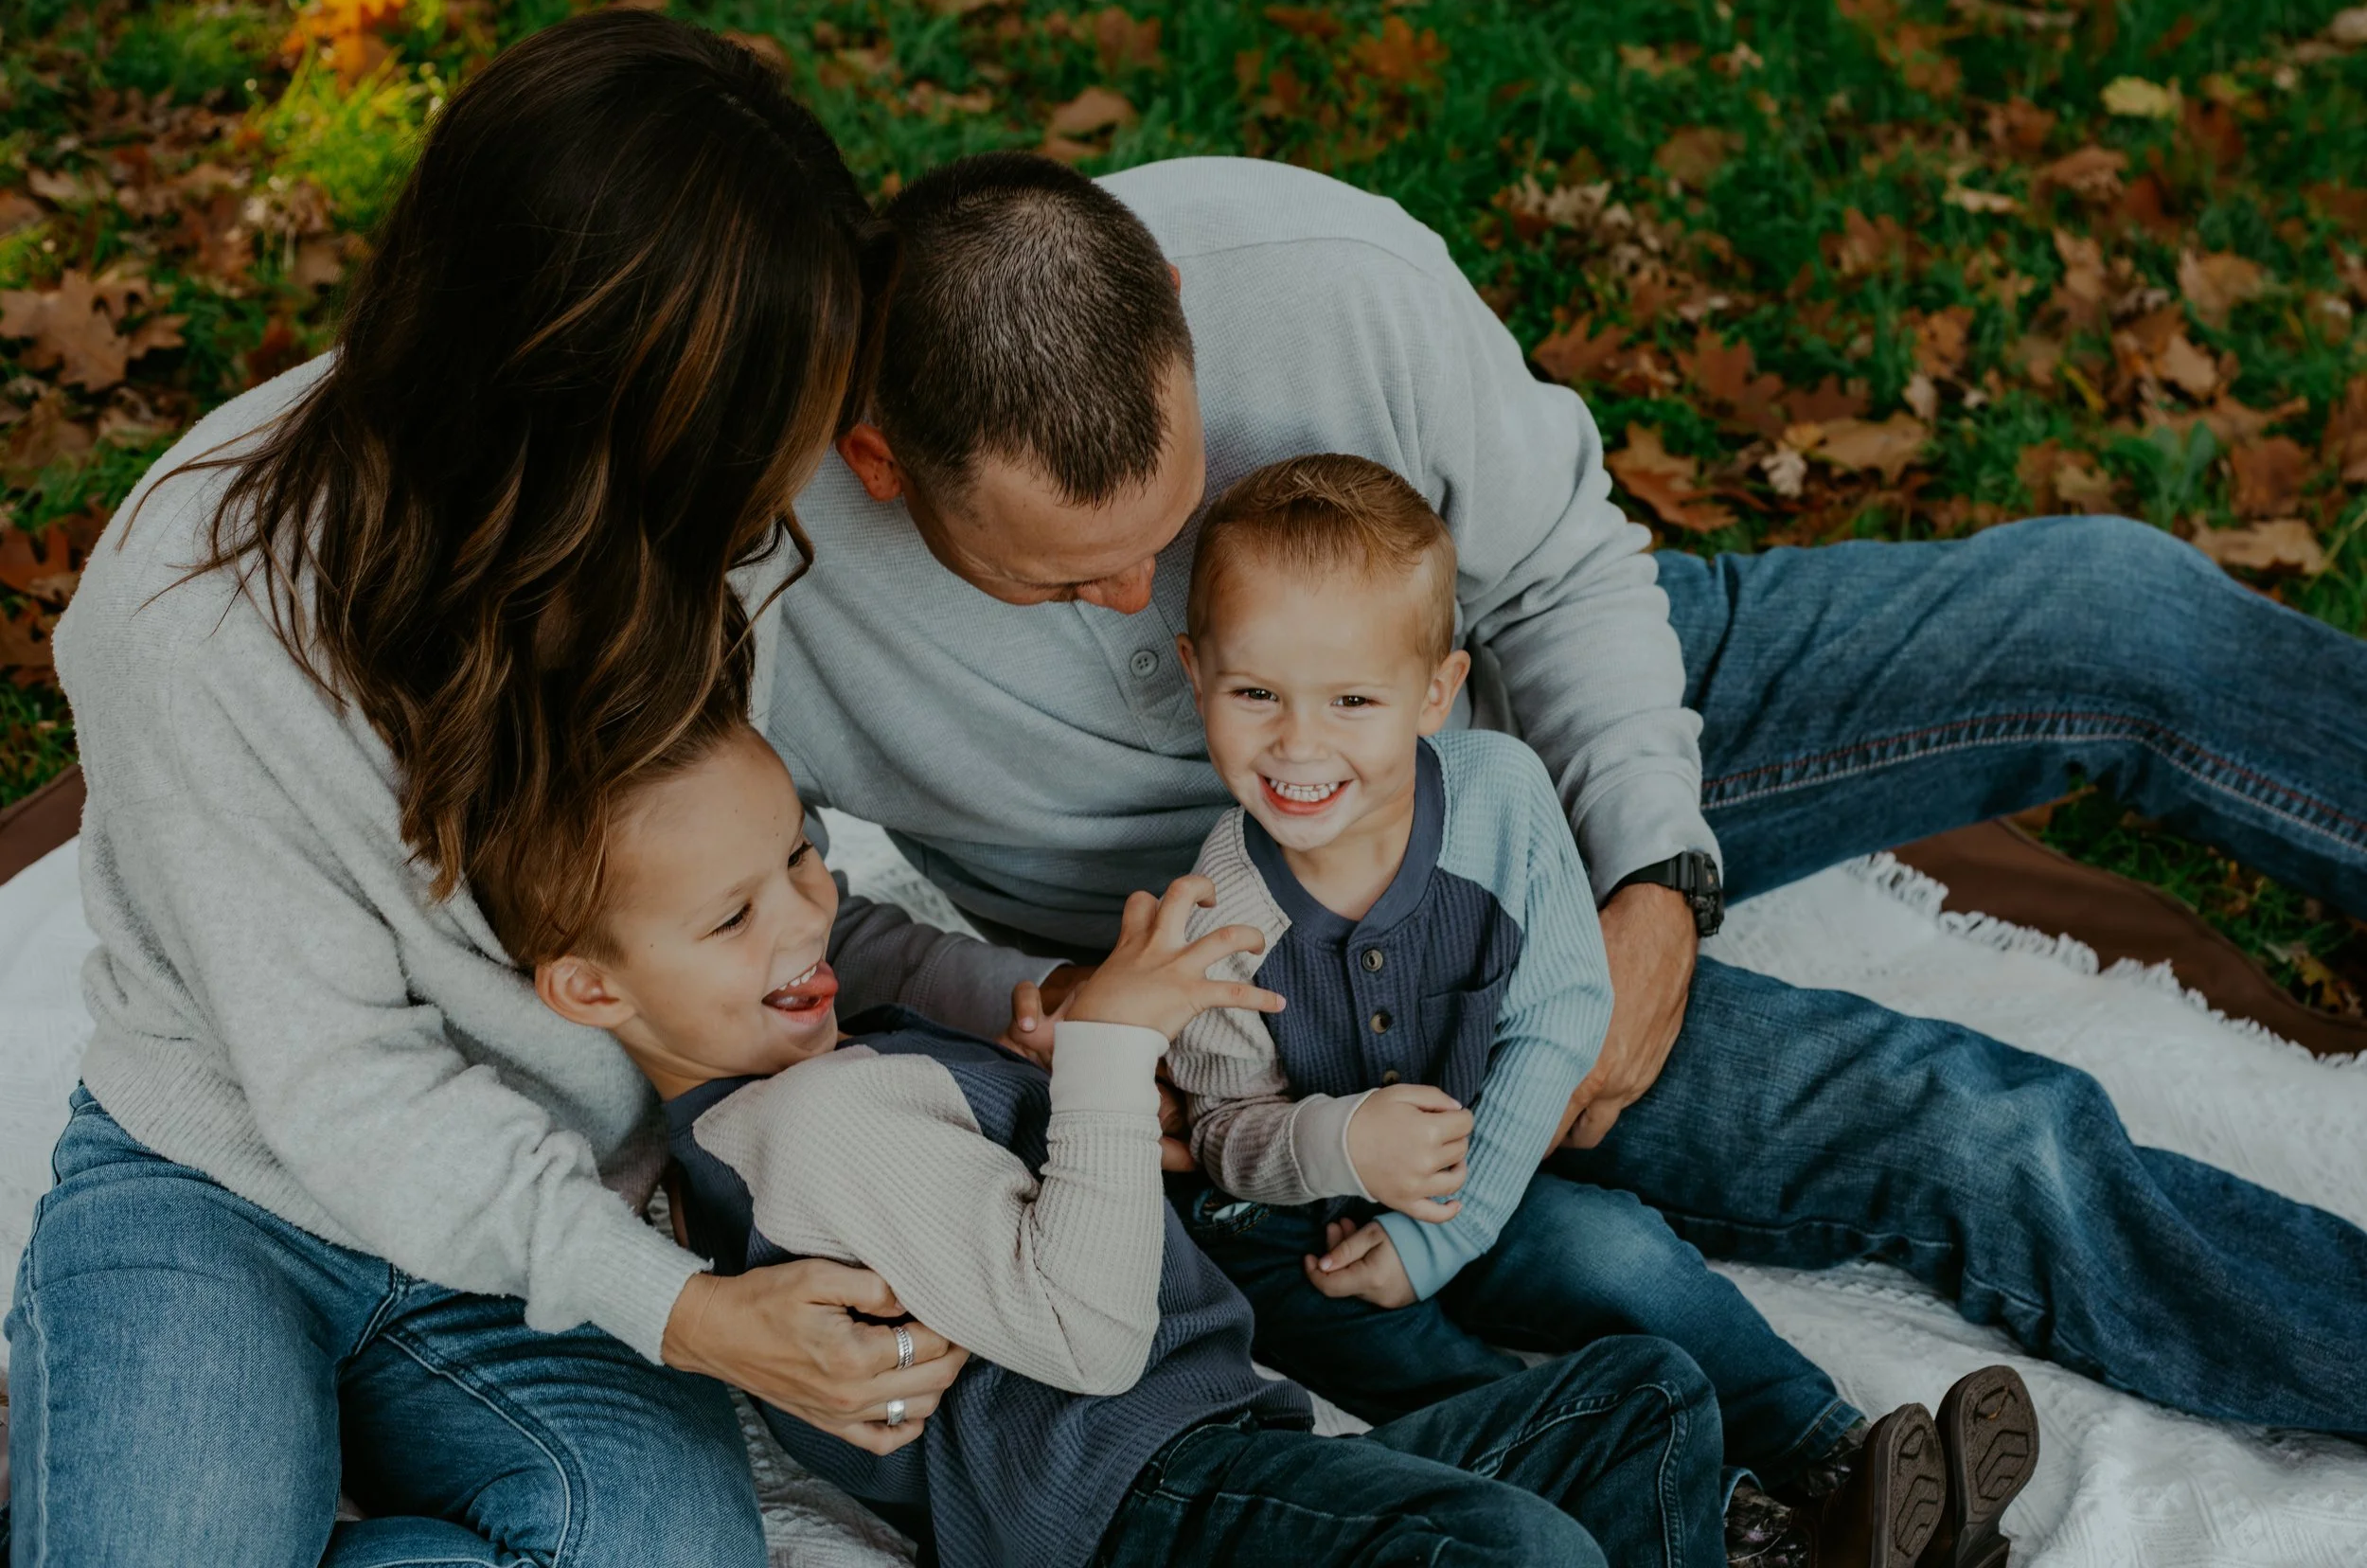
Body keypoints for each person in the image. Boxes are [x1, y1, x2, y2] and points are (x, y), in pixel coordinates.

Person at [767, 149, 2367, 1437]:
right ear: (883, 461)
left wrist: (1656, 878)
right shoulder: (764, 592)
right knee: (1969, 1129)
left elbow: (1563, 579)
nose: (1140, 603)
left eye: (1165, 530)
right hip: (1343, 964)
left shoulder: (1319, 270)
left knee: (2107, 607)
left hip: (1514, 695)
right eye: (1063, 583)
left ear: (1175, 306)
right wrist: (1048, 999)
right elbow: (755, 912)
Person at [5, 14, 1020, 1565]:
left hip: (541, 1209)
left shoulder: (698, 537)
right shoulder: (195, 607)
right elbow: (342, 1093)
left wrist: (999, 1016)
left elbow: (745, 881)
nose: (785, 476)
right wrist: (684, 1315)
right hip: (217, 1188)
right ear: (578, 396)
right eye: (752, 427)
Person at [508, 700, 1735, 1568]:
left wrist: (1057, 1029)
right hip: (1117, 1512)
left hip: (1222, 1445)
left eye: (798, 857)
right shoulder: (810, 1124)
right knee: (1512, 1549)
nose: (804, 917)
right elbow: (1086, 1340)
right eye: (731, 917)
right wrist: (1108, 1053)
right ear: (592, 992)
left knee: (1643, 1397)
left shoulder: (831, 1058)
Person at [1157, 453, 2036, 1568]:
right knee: (1403, 1355)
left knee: (1618, 1257)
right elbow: (1223, 1133)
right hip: (1298, 1230)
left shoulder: (1500, 795)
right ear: (1196, 674)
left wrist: (1449, 1224)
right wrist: (1336, 1144)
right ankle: (1742, 1528)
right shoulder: (1216, 908)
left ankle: (1844, 1462)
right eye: (1254, 693)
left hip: (1491, 1163)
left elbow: (1560, 1017)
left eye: (1352, 700)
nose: (1298, 743)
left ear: (1435, 689)